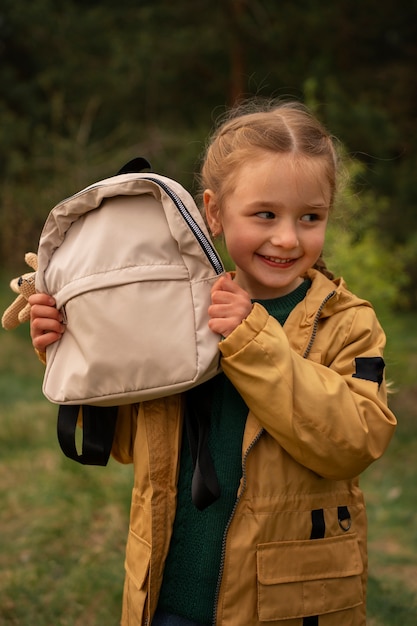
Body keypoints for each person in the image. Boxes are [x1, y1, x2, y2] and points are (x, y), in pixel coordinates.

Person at [29, 100, 397, 626]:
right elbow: (131, 445)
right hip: (169, 593)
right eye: (265, 214)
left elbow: (354, 442)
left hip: (291, 606)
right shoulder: (177, 309)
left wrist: (252, 340)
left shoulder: (347, 322)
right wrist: (72, 350)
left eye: (310, 217)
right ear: (215, 212)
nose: (288, 238)